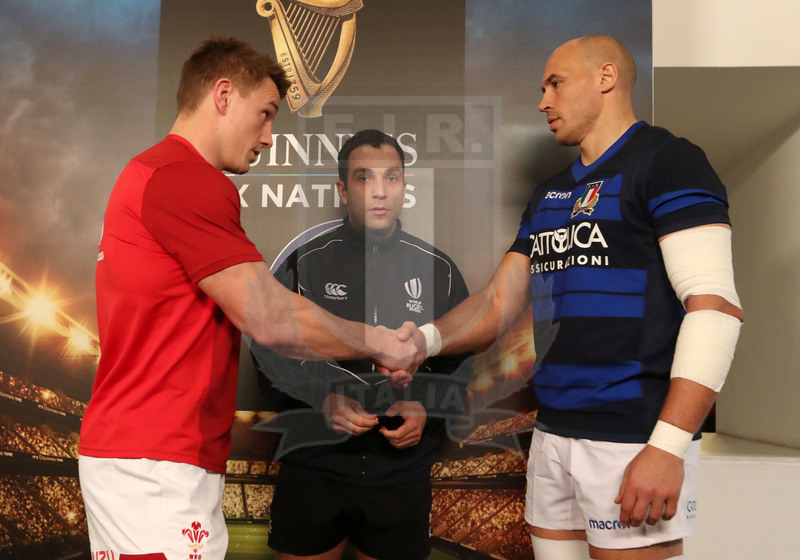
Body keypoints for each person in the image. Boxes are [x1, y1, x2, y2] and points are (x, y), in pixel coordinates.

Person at [78, 39, 423, 560]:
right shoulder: (185, 178)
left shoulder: (152, 174)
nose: (268, 137)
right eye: (263, 115)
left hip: (148, 455)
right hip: (157, 460)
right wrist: (378, 342)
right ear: (222, 95)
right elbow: (270, 316)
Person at [408, 35, 743, 560]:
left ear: (605, 78)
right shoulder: (549, 194)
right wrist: (419, 342)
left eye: (555, 84)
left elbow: (715, 309)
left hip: (634, 436)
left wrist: (667, 447)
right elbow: (498, 302)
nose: (543, 101)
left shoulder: (669, 160)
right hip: (553, 433)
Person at [250, 129, 471, 560]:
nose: (379, 191)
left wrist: (427, 409)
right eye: (363, 178)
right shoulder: (304, 264)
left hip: (400, 475)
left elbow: (459, 365)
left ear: (405, 187)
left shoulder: (438, 269)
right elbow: (267, 354)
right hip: (315, 466)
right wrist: (321, 403)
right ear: (342, 189)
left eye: (391, 178)